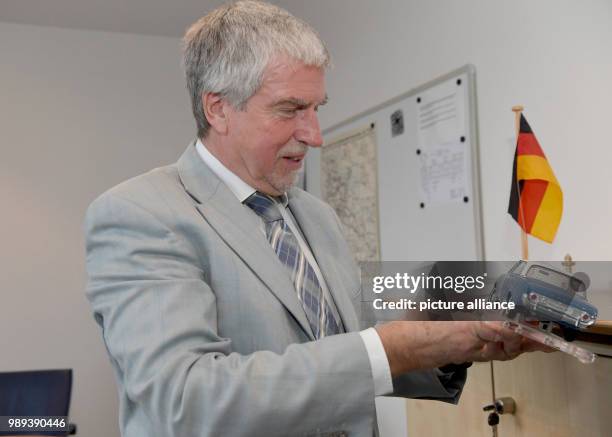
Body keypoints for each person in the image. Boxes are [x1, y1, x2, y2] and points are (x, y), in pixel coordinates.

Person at [84, 2, 545, 436]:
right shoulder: (141, 214)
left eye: (316, 108)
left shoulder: (315, 215)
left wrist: (447, 345)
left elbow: (349, 361)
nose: (315, 135)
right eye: (290, 109)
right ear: (218, 108)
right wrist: (395, 346)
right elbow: (185, 399)